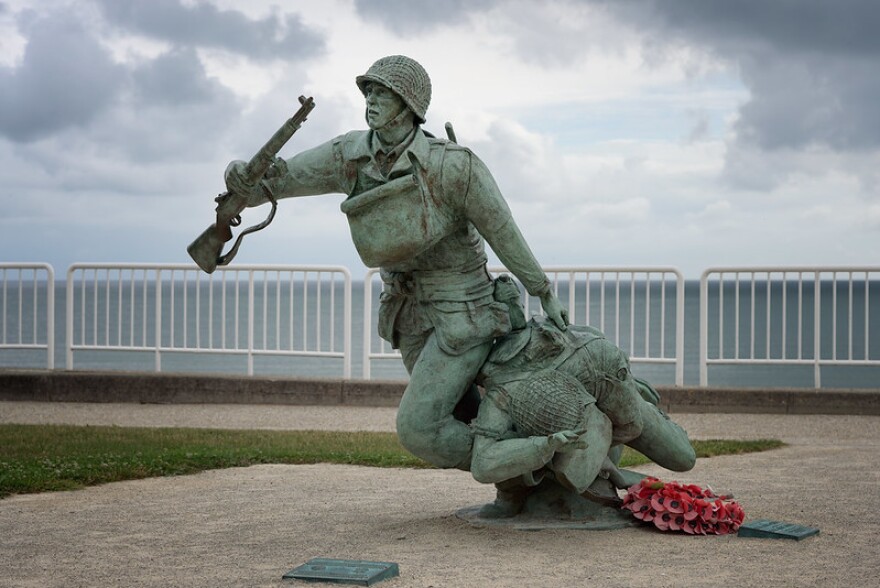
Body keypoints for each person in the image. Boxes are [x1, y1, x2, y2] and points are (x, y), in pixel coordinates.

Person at [224, 55, 567, 469]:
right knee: (463, 414)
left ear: (409, 105)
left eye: (381, 93)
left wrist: (542, 291)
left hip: (463, 313)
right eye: (368, 91)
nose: (370, 99)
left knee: (419, 429)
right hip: (407, 317)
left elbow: (502, 231)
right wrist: (241, 177)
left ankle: (548, 463)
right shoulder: (348, 154)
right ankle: (523, 481)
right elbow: (277, 182)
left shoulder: (453, 165)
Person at [469, 277, 696, 517]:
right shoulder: (500, 380)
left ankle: (606, 458)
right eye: (501, 305)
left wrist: (631, 382)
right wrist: (543, 446)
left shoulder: (550, 325)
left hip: (615, 389)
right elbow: (483, 462)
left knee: (683, 457)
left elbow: (598, 340)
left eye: (514, 300)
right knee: (580, 458)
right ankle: (529, 487)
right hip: (580, 424)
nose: (513, 310)